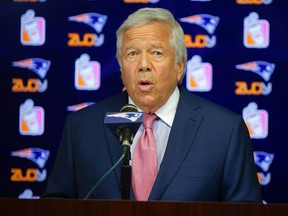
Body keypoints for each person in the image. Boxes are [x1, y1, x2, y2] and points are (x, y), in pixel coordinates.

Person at [42, 7, 262, 202]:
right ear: (120, 66)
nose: (143, 65)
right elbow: (56, 204)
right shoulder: (81, 127)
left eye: (156, 53)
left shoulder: (224, 131)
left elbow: (244, 210)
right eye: (132, 54)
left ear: (179, 65)